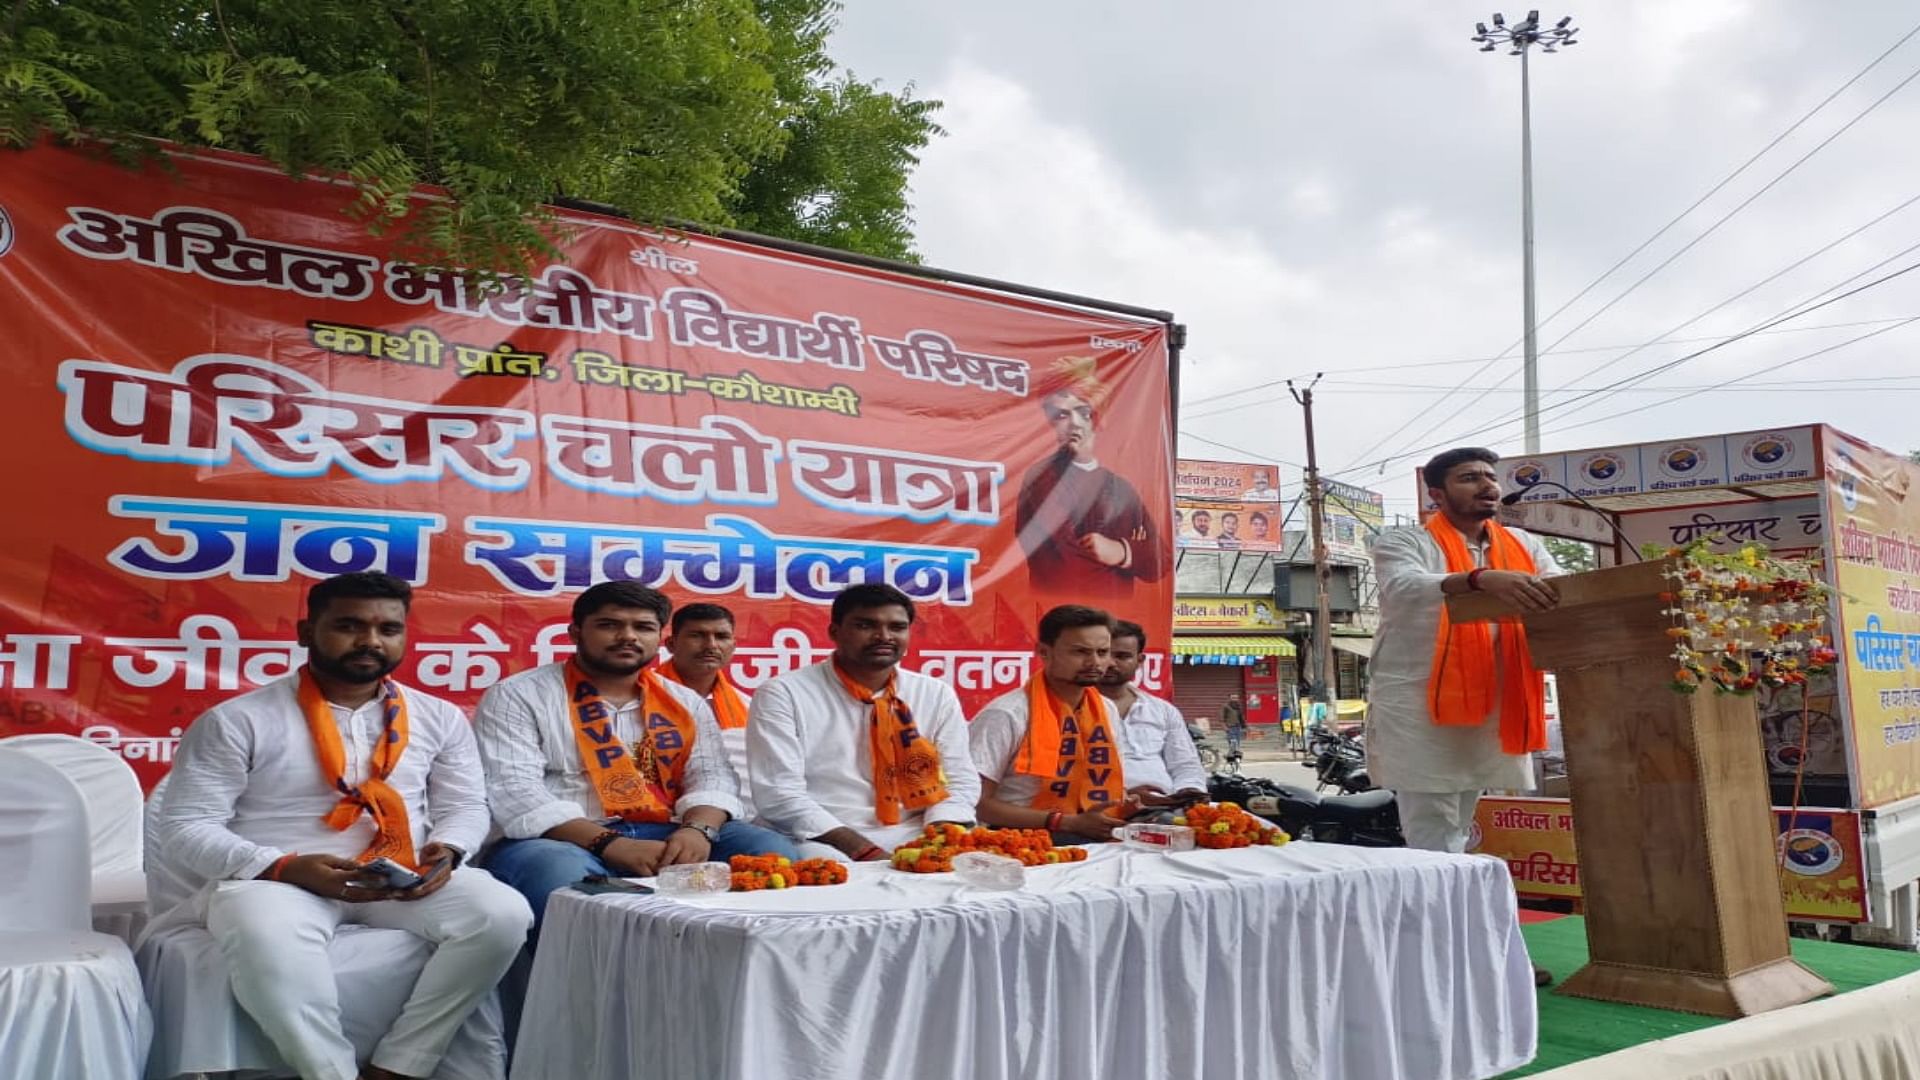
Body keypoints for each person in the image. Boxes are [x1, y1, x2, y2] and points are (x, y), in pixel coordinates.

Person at [152, 572, 532, 1080]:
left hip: (398, 878)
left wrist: (450, 848)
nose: (370, 641)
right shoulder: (239, 719)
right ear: (306, 632)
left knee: (502, 913)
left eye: (387, 629)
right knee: (265, 934)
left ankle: (403, 1062)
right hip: (278, 880)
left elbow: (466, 806)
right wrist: (283, 866)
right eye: (350, 625)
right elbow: (187, 826)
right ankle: (328, 1072)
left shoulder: (438, 716)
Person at [475, 582, 796, 925]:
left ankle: (734, 970)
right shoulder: (517, 695)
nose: (628, 636)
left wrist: (698, 831)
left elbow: (712, 774)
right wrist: (610, 844)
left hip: (666, 830)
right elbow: (514, 791)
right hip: (562, 840)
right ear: (575, 632)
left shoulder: (683, 701)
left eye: (643, 627)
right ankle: (579, 978)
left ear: (660, 638)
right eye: (609, 625)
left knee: (771, 852)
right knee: (556, 871)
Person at [1369, 446, 1561, 986]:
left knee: (1460, 832)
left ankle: (1470, 951)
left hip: (1493, 704)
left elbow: (1559, 593)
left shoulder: (1522, 544)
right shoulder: (1407, 541)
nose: (1486, 485)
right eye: (1469, 477)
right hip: (1421, 706)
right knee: (1433, 833)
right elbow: (1404, 588)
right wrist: (1479, 581)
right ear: (1436, 493)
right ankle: (1453, 960)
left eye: (1490, 477)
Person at [747, 584, 981, 860]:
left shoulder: (934, 692)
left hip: (915, 829)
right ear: (835, 632)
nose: (884, 637)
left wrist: (942, 837)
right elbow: (779, 794)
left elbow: (960, 779)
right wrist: (864, 851)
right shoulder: (784, 693)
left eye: (897, 627)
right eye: (866, 625)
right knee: (831, 873)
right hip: (822, 836)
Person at [969, 605, 1132, 843]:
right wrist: (1064, 822)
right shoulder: (1006, 714)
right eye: (1080, 652)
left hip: (1090, 831)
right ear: (1044, 652)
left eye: (1103, 652)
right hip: (1017, 838)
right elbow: (975, 803)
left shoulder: (1105, 709)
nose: (1094, 662)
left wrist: (1126, 804)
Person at [1014, 356, 1167, 598]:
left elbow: (1161, 560)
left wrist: (1119, 550)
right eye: (1062, 416)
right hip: (1061, 621)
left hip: (1118, 625)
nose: (1074, 424)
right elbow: (1065, 565)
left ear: (1097, 417)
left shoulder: (1122, 488)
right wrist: (1134, 550)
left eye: (1082, 412)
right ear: (1051, 423)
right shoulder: (1041, 478)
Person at [659, 601, 755, 817]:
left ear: (733, 645)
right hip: (653, 815)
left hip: (727, 815)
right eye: (697, 635)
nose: (711, 645)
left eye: (721, 637)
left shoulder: (747, 708)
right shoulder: (641, 696)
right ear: (671, 644)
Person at [1101, 620, 1209, 803]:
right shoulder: (1073, 708)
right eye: (1104, 654)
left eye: (1122, 656)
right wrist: (1124, 795)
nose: (1111, 663)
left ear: (1139, 661)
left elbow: (1185, 765)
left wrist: (1189, 793)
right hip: (1099, 809)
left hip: (1165, 806)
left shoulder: (1163, 710)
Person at [1220, 692, 1247, 758]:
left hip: (1238, 727)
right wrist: (1224, 727)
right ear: (1229, 698)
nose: (1235, 699)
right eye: (1233, 698)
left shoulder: (1238, 706)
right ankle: (1230, 756)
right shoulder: (1225, 706)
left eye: (1236, 698)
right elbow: (1221, 718)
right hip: (1230, 727)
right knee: (1233, 742)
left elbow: (1241, 717)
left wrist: (1244, 726)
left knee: (1237, 743)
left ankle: (1234, 757)